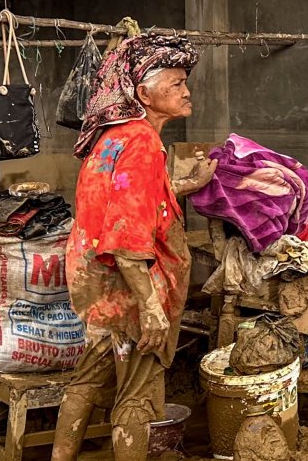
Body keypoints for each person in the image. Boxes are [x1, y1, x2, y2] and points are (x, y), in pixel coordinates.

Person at [54, 35, 218, 461]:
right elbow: (127, 239)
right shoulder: (143, 143)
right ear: (143, 93)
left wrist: (186, 185)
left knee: (87, 382)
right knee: (138, 398)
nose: (187, 91)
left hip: (96, 284)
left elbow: (130, 200)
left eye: (186, 82)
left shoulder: (112, 136)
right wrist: (151, 307)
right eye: (177, 82)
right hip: (127, 290)